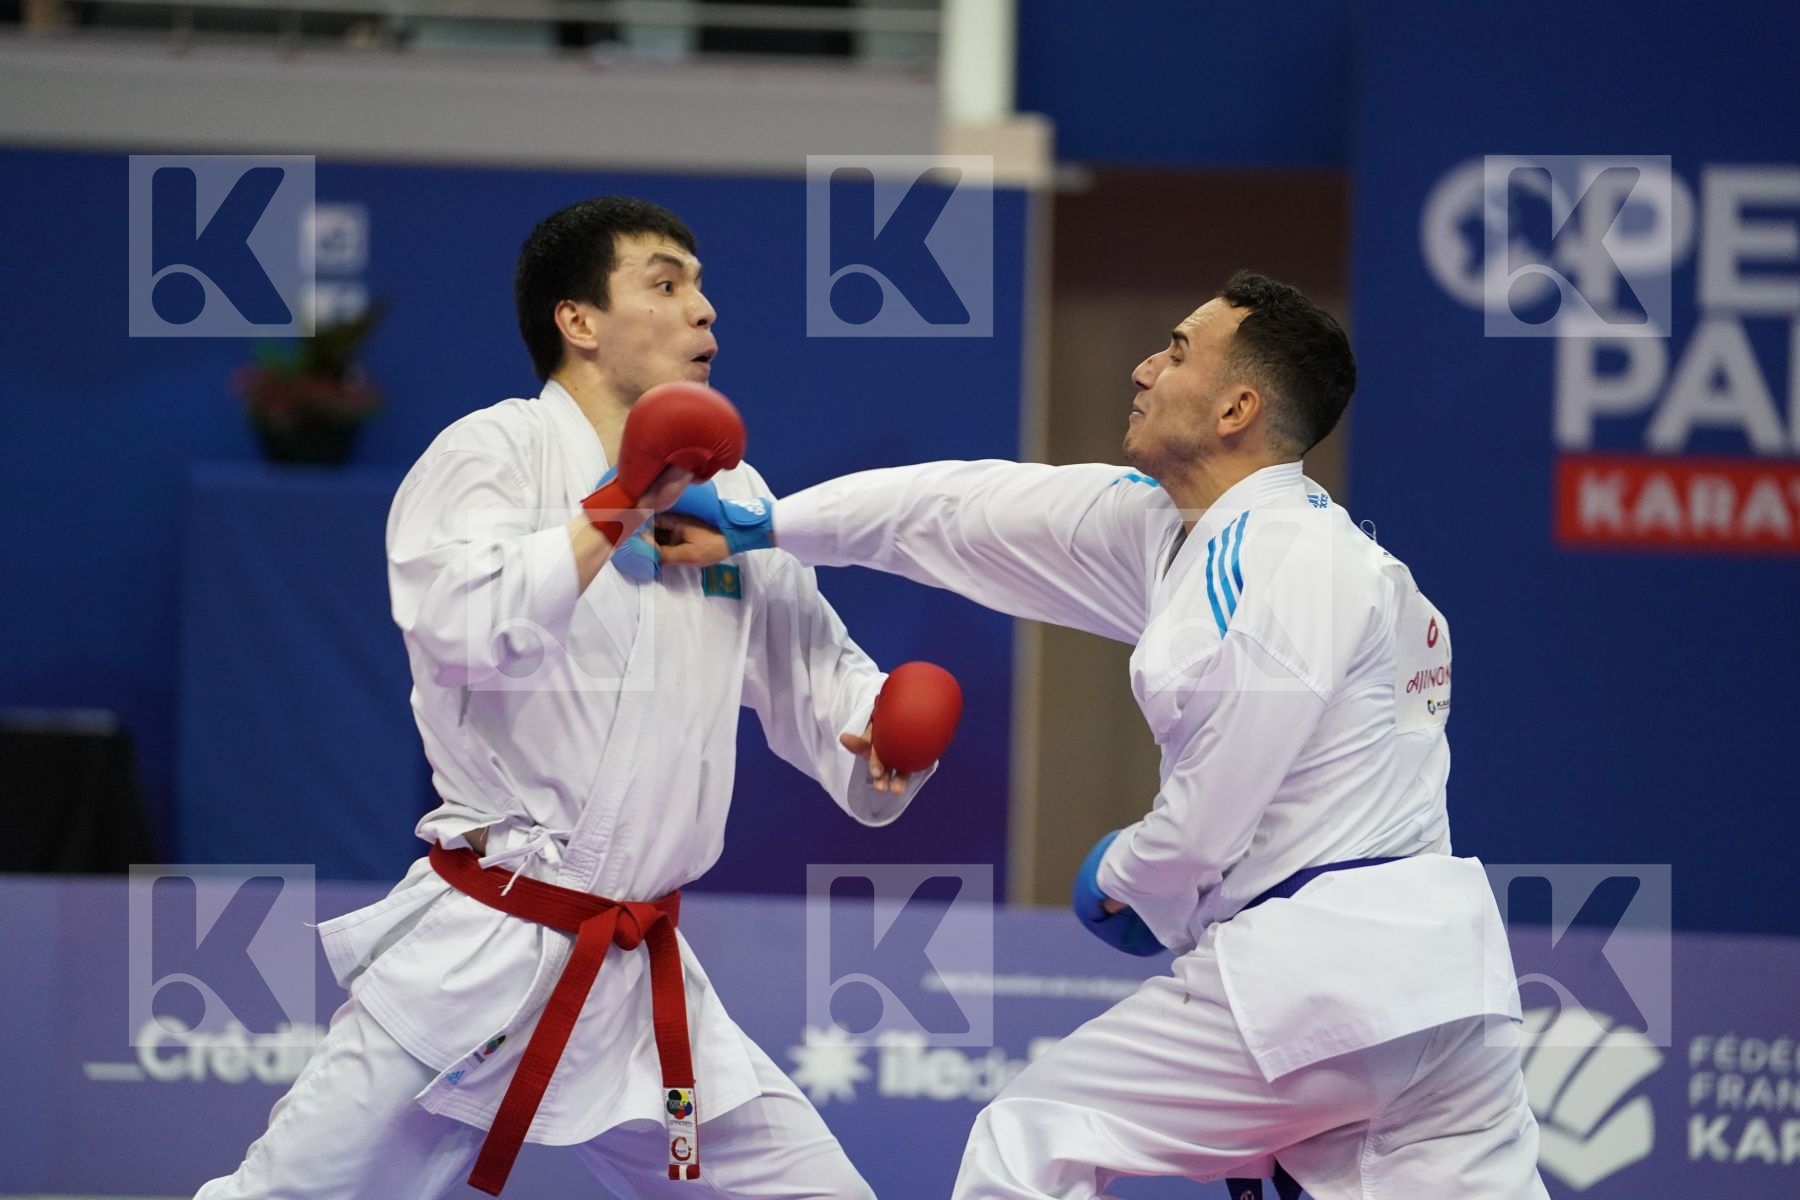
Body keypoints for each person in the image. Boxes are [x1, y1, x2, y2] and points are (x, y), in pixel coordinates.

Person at [661, 272, 1548, 1198]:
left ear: (1237, 407)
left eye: (1174, 351)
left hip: (1323, 976)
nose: (1143, 367)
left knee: (1033, 1141)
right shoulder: (1187, 530)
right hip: (1446, 998)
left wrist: (1127, 874)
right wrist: (771, 525)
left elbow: (1215, 806)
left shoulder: (1288, 557)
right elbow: (966, 511)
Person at [197, 195, 949, 1200]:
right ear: (578, 319)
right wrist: (612, 506)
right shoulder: (492, 453)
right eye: (667, 282)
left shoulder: (729, 498)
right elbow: (462, 631)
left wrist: (883, 741)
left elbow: (821, 686)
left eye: (703, 285)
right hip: (486, 944)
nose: (706, 311)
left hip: (639, 972)